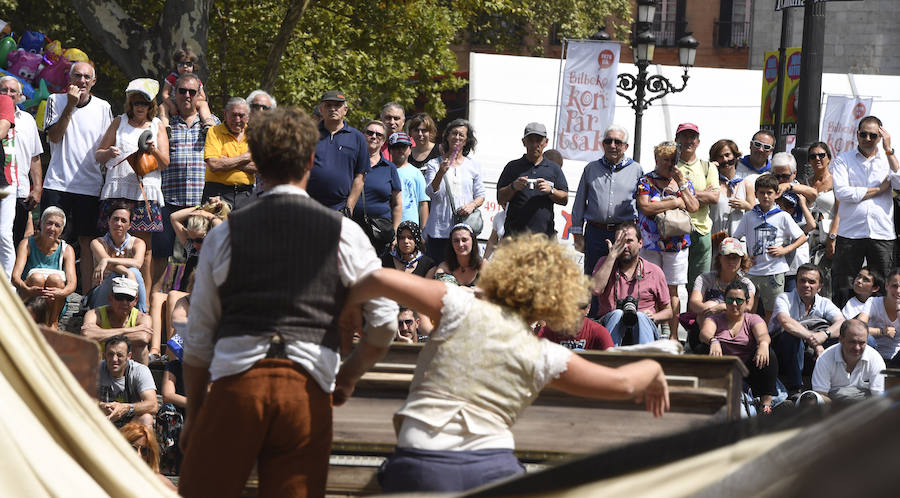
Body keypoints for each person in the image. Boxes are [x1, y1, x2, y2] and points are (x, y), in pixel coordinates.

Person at [336, 233, 670, 493]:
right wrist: (654, 369)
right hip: (493, 470)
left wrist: (350, 314)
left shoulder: (457, 304)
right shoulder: (544, 354)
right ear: (556, 300)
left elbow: (377, 279)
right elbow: (623, 383)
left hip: (421, 463)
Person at [178, 107, 398, 497]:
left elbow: (198, 338)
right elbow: (384, 322)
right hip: (307, 393)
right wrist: (347, 377)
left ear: (257, 163)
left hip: (236, 388)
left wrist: (195, 414)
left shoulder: (223, 235)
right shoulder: (346, 234)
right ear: (312, 160)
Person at [42, 61, 113, 292]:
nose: (81, 81)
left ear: (94, 81)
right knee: (51, 237)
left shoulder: (103, 107)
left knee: (88, 242)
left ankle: (87, 297)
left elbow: (107, 145)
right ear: (69, 79)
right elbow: (54, 137)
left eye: (86, 77)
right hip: (57, 183)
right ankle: (45, 290)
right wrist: (70, 106)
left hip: (90, 186)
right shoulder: (55, 100)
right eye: (77, 76)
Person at [95, 78, 169, 296]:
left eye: (144, 103)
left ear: (151, 105)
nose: (139, 107)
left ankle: (142, 300)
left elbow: (165, 163)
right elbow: (99, 154)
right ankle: (109, 296)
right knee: (113, 245)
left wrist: (153, 150)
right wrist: (109, 153)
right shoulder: (119, 122)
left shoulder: (157, 126)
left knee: (143, 251)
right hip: (118, 191)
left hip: (145, 192)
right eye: (136, 102)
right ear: (130, 103)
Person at [154, 73, 219, 285]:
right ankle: (155, 310)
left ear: (200, 95)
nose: (187, 95)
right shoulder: (163, 122)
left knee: (198, 262)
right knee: (159, 258)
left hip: (200, 202)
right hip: (168, 200)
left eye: (192, 91)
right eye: (182, 91)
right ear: (174, 93)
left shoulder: (213, 123)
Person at [830, 116, 900, 307]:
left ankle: (885, 330)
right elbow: (842, 192)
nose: (867, 138)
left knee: (885, 284)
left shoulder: (889, 158)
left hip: (882, 232)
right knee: (844, 284)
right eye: (863, 134)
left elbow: (899, 183)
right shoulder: (843, 159)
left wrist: (889, 149)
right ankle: (841, 330)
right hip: (850, 232)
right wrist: (878, 190)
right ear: (857, 134)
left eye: (873, 135)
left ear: (880, 136)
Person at [636, 141, 699, 340]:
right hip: (650, 243)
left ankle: (673, 335)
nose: (670, 164)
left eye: (673, 160)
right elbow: (645, 207)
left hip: (677, 244)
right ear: (656, 159)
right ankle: (651, 333)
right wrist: (674, 201)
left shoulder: (682, 181)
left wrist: (681, 184)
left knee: (673, 288)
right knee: (650, 287)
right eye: (666, 160)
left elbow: (694, 206)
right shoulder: (646, 180)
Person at [149, 199, 227, 359]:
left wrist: (209, 216)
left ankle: (172, 353)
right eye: (192, 240)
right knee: (157, 297)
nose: (195, 244)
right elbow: (174, 218)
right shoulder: (192, 248)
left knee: (173, 295)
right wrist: (199, 209)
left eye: (199, 240)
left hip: (202, 301)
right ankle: (155, 351)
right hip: (186, 298)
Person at [570, 124, 644, 277]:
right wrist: (577, 233)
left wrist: (639, 236)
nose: (612, 145)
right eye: (608, 141)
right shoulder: (591, 169)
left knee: (622, 278)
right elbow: (579, 202)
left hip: (624, 235)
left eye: (617, 142)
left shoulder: (636, 170)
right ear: (602, 144)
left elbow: (642, 204)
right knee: (593, 278)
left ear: (626, 146)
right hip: (595, 234)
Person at [733, 173, 807, 321]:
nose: (766, 196)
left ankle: (768, 340)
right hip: (753, 270)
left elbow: (802, 237)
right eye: (762, 193)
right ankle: (749, 338)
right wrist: (744, 257)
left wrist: (784, 250)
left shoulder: (783, 216)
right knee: (748, 308)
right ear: (755, 194)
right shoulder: (749, 216)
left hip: (774, 271)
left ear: (776, 194)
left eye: (769, 193)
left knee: (772, 311)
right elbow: (735, 238)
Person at [700, 281, 778, 414]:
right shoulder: (715, 319)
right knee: (703, 348)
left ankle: (766, 405)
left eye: (739, 300)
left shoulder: (753, 318)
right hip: (724, 367)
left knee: (768, 353)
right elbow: (704, 333)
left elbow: (763, 334)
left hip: (749, 369)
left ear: (747, 302)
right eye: (730, 300)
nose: (734, 304)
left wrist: (763, 344)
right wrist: (713, 340)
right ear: (725, 301)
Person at [591, 221, 672, 345]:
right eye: (620, 241)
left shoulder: (654, 271)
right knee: (618, 313)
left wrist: (653, 317)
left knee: (640, 317)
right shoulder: (604, 263)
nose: (624, 246)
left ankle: (644, 361)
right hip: (610, 324)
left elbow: (668, 311)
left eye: (629, 241)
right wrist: (611, 256)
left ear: (640, 243)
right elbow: (596, 290)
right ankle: (610, 357)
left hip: (644, 326)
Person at [769, 264, 844, 396]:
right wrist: (815, 341)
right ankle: (795, 389)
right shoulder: (784, 298)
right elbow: (786, 322)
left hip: (810, 355)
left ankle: (838, 384)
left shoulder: (824, 303)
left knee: (846, 338)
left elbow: (842, 323)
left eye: (812, 282)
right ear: (796, 282)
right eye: (802, 280)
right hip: (783, 354)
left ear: (820, 286)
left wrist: (825, 334)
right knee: (791, 335)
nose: (806, 285)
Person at [423, 118, 485, 263]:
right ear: (447, 137)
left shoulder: (473, 165)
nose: (457, 137)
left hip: (463, 233)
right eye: (454, 133)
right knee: (438, 271)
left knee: (461, 272)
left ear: (466, 140)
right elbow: (430, 193)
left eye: (461, 135)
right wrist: (440, 173)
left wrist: (472, 205)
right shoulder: (434, 163)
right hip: (439, 230)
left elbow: (481, 194)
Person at [496, 122, 568, 237]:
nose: (535, 144)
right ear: (524, 142)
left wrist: (551, 191)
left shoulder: (553, 169)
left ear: (546, 142)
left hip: (543, 239)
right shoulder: (512, 167)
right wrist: (513, 187)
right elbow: (500, 198)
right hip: (515, 239)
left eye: (539, 140)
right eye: (531, 140)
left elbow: (564, 199)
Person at [686, 237, 757, 353]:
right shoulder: (705, 278)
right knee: (709, 304)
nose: (731, 261)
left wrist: (722, 307)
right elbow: (694, 303)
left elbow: (748, 307)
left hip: (733, 329)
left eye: (735, 257)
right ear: (719, 258)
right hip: (705, 328)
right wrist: (713, 308)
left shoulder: (747, 284)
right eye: (727, 256)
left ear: (741, 260)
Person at [11, 206, 76, 328]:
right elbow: (15, 277)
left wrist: (61, 292)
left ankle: (53, 323)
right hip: (28, 293)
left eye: (57, 225)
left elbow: (72, 283)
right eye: (49, 223)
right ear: (41, 224)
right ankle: (28, 321)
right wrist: (26, 289)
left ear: (62, 230)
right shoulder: (26, 244)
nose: (52, 228)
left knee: (56, 279)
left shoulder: (67, 249)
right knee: (37, 278)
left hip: (54, 300)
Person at [674, 123, 720, 292]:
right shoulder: (670, 166)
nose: (688, 141)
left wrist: (684, 192)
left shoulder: (708, 167)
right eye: (684, 136)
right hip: (675, 230)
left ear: (698, 142)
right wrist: (701, 194)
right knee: (671, 285)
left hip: (701, 231)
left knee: (698, 286)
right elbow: (666, 195)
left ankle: (694, 319)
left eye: (692, 137)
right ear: (676, 140)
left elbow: (714, 197)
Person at [307, 90, 368, 214]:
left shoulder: (357, 137)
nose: (332, 109)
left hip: (340, 208)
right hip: (309, 207)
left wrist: (349, 207)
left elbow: (360, 177)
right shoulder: (308, 135)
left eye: (337, 105)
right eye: (328, 105)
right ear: (321, 109)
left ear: (345, 110)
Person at [0, 76, 43, 250]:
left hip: (21, 191)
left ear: (19, 96)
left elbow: (35, 157)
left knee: (13, 241)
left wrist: (37, 188)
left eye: (13, 91)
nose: (8, 94)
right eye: (4, 90)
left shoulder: (27, 120)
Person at [88, 202, 148, 313]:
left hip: (128, 293)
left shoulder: (138, 243)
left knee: (135, 270)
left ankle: (142, 312)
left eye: (123, 220)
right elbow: (110, 266)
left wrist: (107, 259)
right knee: (125, 273)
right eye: (115, 219)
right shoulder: (97, 243)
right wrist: (128, 273)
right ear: (108, 221)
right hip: (102, 292)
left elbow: (138, 263)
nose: (119, 224)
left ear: (129, 225)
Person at [808, 319, 885, 402]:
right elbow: (821, 395)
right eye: (852, 342)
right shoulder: (825, 359)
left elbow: (878, 396)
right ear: (841, 339)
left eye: (862, 343)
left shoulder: (875, 359)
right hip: (833, 406)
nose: (857, 348)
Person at [771, 152, 816, 292]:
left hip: (796, 260)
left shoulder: (800, 191)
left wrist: (789, 187)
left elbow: (814, 194)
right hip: (773, 257)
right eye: (776, 176)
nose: (780, 180)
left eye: (785, 176)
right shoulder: (769, 190)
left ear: (794, 173)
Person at [356, 120, 402, 255]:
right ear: (363, 136)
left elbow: (397, 204)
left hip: (380, 234)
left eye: (379, 135)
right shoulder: (351, 163)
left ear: (383, 141)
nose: (374, 136)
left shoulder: (390, 168)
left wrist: (394, 232)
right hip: (353, 231)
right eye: (370, 133)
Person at [82, 277, 154, 364]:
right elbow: (87, 335)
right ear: (111, 298)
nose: (124, 302)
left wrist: (101, 334)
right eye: (119, 297)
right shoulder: (95, 314)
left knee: (141, 348)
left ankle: (138, 377)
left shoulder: (142, 318)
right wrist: (129, 330)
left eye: (129, 298)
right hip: (100, 366)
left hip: (127, 366)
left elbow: (143, 338)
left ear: (135, 301)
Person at [202, 97, 255, 210]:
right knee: (215, 227)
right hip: (217, 194)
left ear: (248, 116)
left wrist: (227, 161)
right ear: (225, 114)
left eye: (241, 115)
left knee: (246, 228)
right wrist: (245, 157)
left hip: (246, 194)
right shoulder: (214, 131)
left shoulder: (254, 134)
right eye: (233, 115)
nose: (237, 119)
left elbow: (259, 166)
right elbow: (215, 165)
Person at [97, 335, 158, 427]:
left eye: (119, 355)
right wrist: (101, 406)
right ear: (104, 355)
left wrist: (126, 408)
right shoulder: (96, 368)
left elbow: (153, 405)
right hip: (101, 421)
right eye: (110, 354)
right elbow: (80, 396)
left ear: (129, 356)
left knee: (146, 418)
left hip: (129, 424)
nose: (114, 359)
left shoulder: (139, 370)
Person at [806, 142, 838, 298]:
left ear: (829, 158)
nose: (817, 159)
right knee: (808, 283)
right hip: (809, 240)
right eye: (813, 156)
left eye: (821, 155)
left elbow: (841, 211)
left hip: (829, 239)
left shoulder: (837, 180)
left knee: (827, 283)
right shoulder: (806, 182)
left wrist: (833, 236)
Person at [158, 47, 215, 133]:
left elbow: (203, 96)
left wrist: (190, 99)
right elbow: (165, 94)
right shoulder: (172, 78)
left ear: (193, 66)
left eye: (188, 64)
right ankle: (165, 127)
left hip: (191, 103)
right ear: (176, 65)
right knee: (162, 106)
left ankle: (208, 122)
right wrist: (172, 106)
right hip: (173, 102)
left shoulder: (195, 80)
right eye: (181, 64)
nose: (185, 67)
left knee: (204, 104)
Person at [708, 139, 754, 238]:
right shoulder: (711, 184)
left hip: (739, 244)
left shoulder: (746, 185)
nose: (725, 159)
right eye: (720, 157)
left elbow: (756, 216)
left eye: (727, 155)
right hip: (716, 242)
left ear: (735, 156)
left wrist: (746, 206)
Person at [857, 268, 900, 367]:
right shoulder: (873, 302)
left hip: (896, 359)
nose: (898, 291)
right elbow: (858, 328)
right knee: (865, 338)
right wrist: (881, 331)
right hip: (873, 355)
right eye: (895, 286)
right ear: (887, 286)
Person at [119, 422, 178, 491]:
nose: (139, 455)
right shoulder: (111, 478)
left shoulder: (159, 482)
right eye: (133, 449)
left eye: (144, 450)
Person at [536, 304, 614, 351]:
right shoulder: (549, 331)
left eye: (580, 306)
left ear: (588, 308)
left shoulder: (599, 332)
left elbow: (613, 362)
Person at [390, 132, 429, 226]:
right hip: (388, 223)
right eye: (396, 147)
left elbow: (423, 203)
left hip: (411, 226)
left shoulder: (416, 173)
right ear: (390, 150)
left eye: (404, 146)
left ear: (410, 150)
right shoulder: (385, 170)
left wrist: (423, 230)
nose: (400, 150)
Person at [434, 223, 485, 287]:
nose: (460, 244)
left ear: (473, 241)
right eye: (456, 241)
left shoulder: (483, 266)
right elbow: (442, 290)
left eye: (464, 240)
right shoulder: (444, 267)